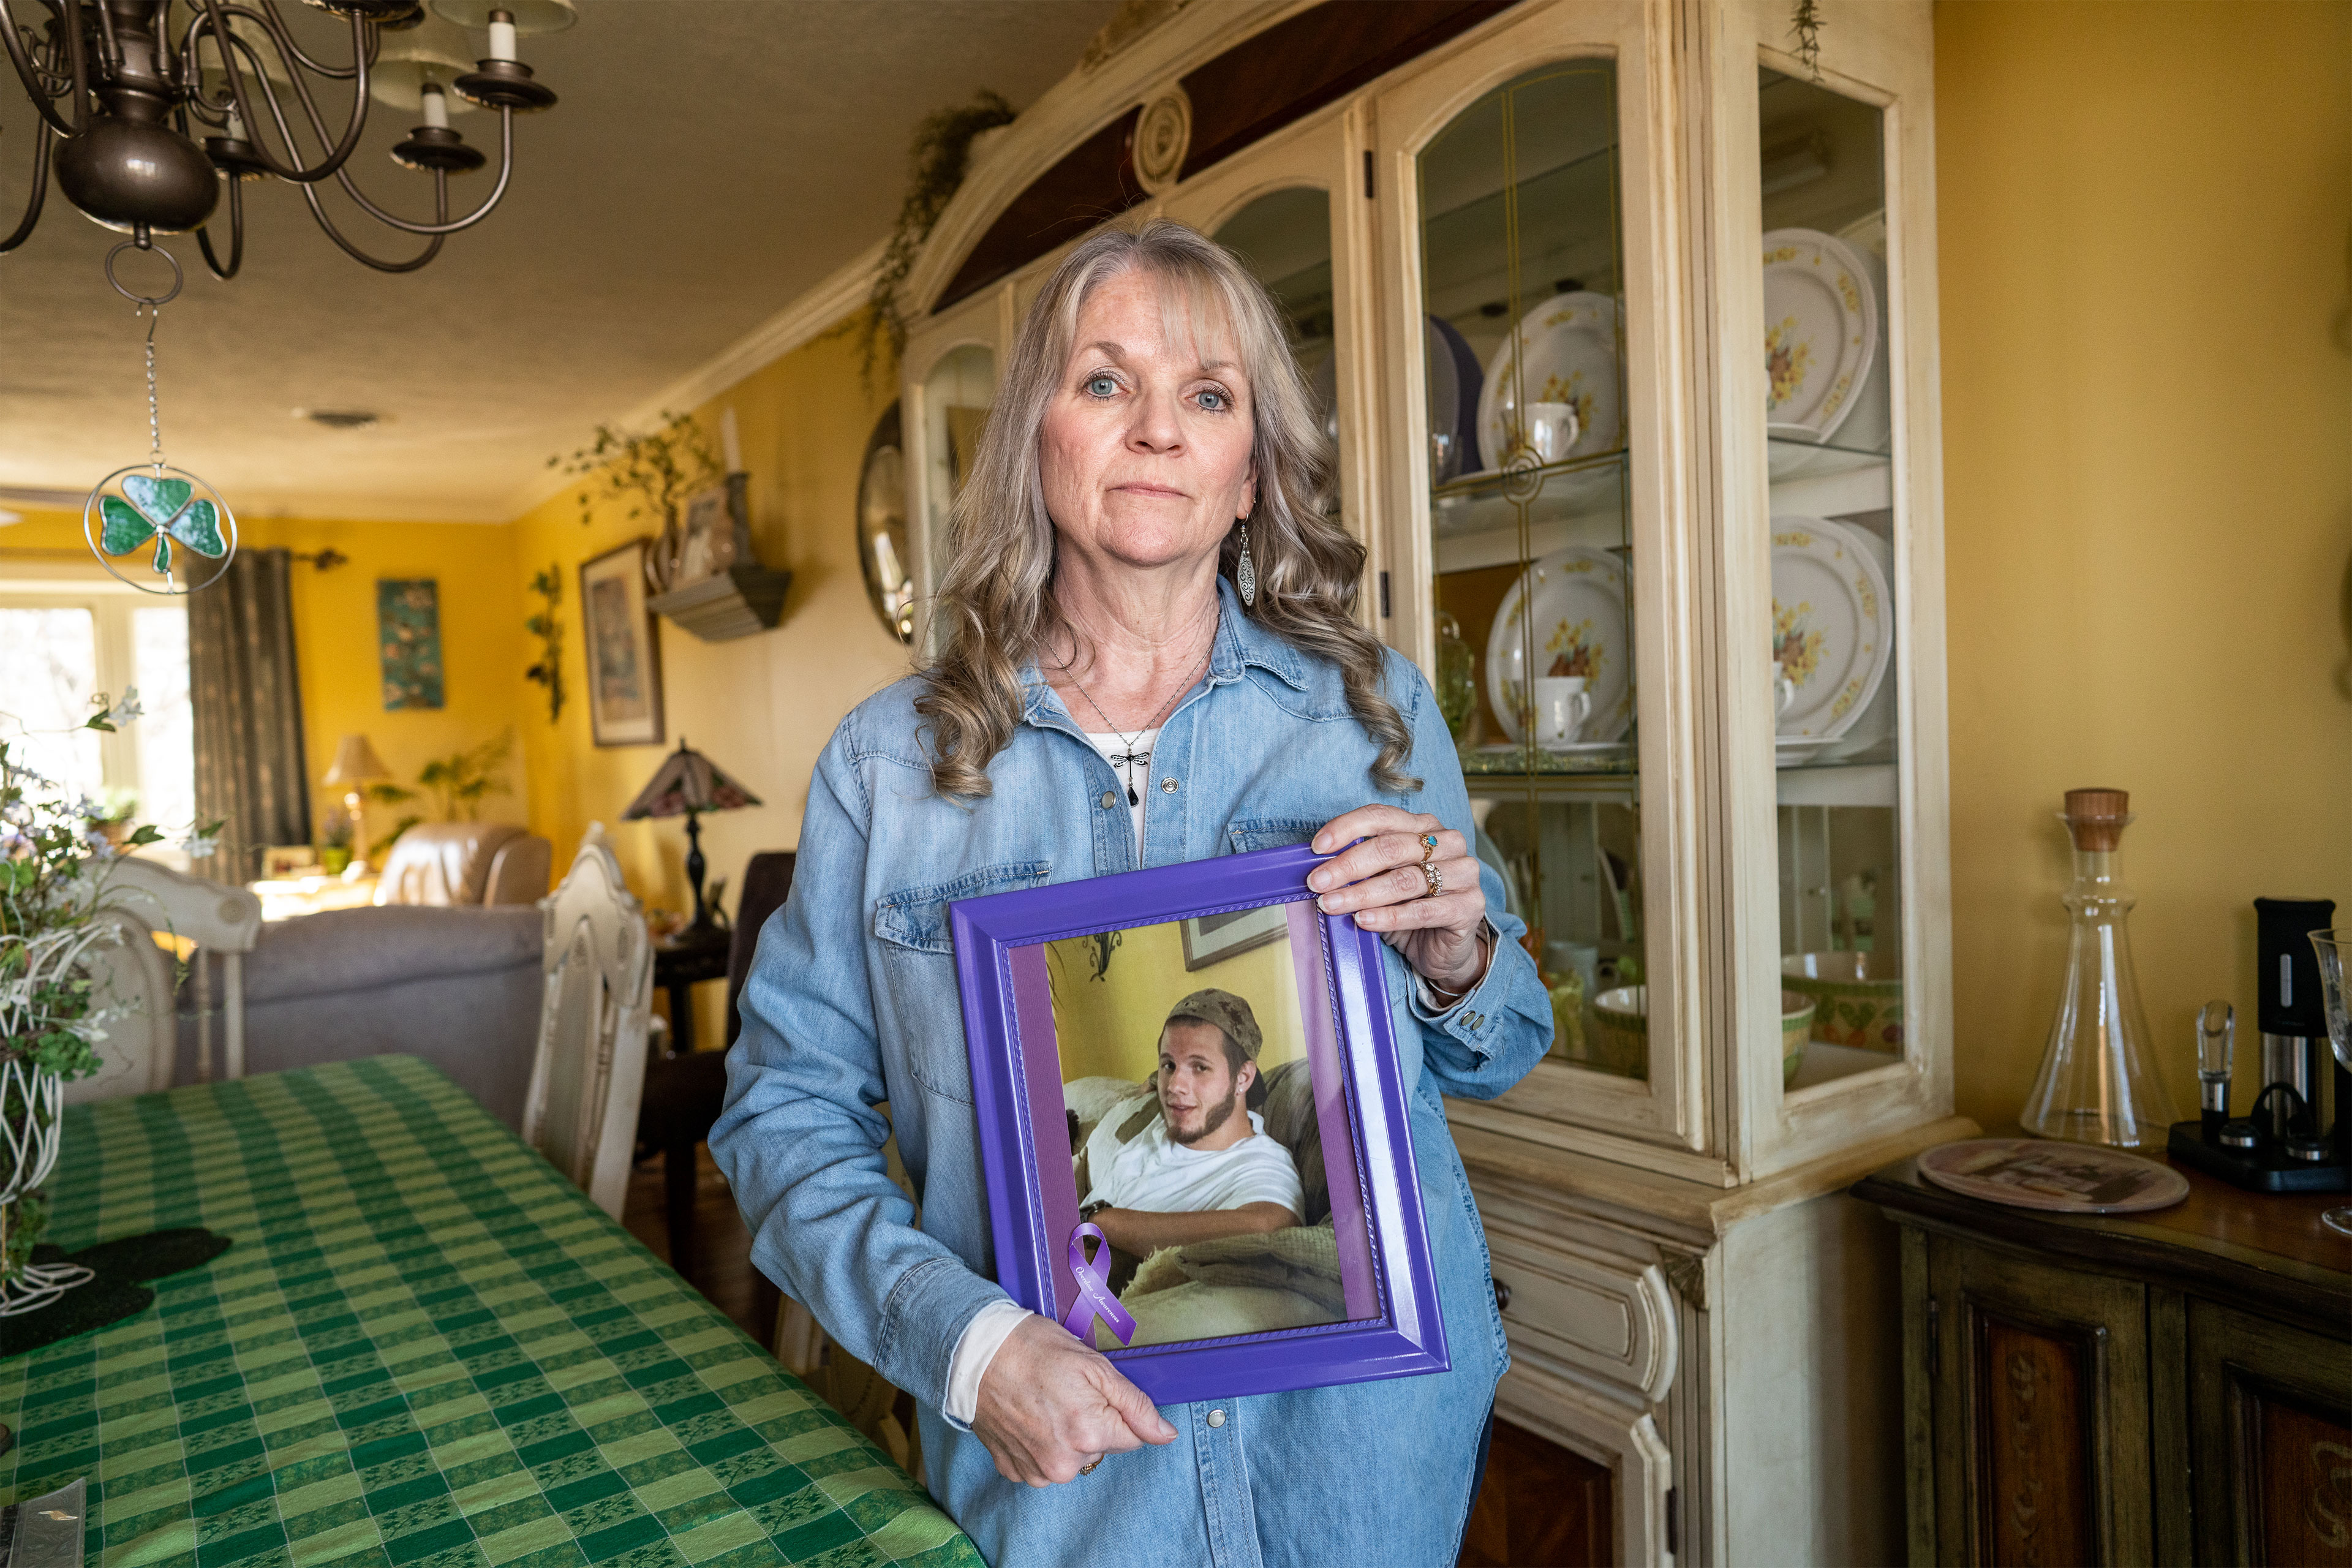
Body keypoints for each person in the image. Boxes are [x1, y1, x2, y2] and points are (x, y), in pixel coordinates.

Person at [711, 216, 1552, 1567]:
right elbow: (781, 1111)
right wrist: (968, 1344)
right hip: (1069, 1478)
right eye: (1106, 382)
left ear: (1249, 475)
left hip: (1365, 1451)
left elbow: (1505, 1046)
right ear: (1036, 440)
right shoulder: (887, 766)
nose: (1158, 429)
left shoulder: (1374, 713)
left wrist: (1460, 950)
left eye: (1208, 396)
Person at [1076, 989, 1305, 1255]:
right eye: (1170, 1065)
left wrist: (1095, 1221)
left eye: (1200, 1067)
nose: (1174, 1087)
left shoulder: (1259, 1164)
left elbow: (1270, 1226)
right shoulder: (1166, 1123)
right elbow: (1157, 1079)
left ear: (1243, 1078)